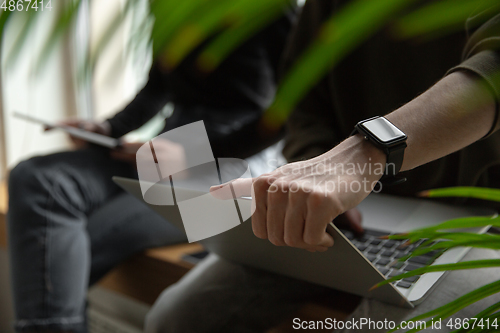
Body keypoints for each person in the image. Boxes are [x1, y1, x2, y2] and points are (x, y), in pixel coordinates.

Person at [144, 1, 500, 332]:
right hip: (359, 214)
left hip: (480, 222)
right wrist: (316, 177)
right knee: (173, 318)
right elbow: (302, 104)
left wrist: (365, 155)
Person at [6, 10, 295, 333]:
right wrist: (105, 129)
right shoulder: (172, 9)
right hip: (166, 150)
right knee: (36, 176)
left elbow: (288, 112)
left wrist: (197, 151)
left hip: (232, 167)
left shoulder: (274, 12)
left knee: (60, 248)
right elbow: (156, 89)